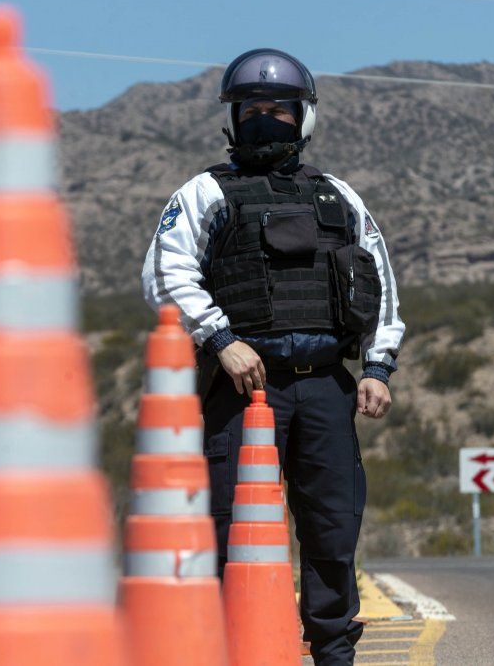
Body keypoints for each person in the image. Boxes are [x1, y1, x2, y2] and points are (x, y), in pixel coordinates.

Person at [141, 48, 404, 665]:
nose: (265, 119)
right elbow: (163, 274)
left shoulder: (337, 197)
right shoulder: (206, 193)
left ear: (303, 118)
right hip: (242, 390)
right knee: (229, 531)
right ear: (231, 119)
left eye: (279, 110)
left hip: (325, 390)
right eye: (252, 108)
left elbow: (381, 283)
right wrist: (220, 339)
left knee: (333, 531)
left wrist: (376, 367)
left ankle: (335, 654)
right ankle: (231, 651)